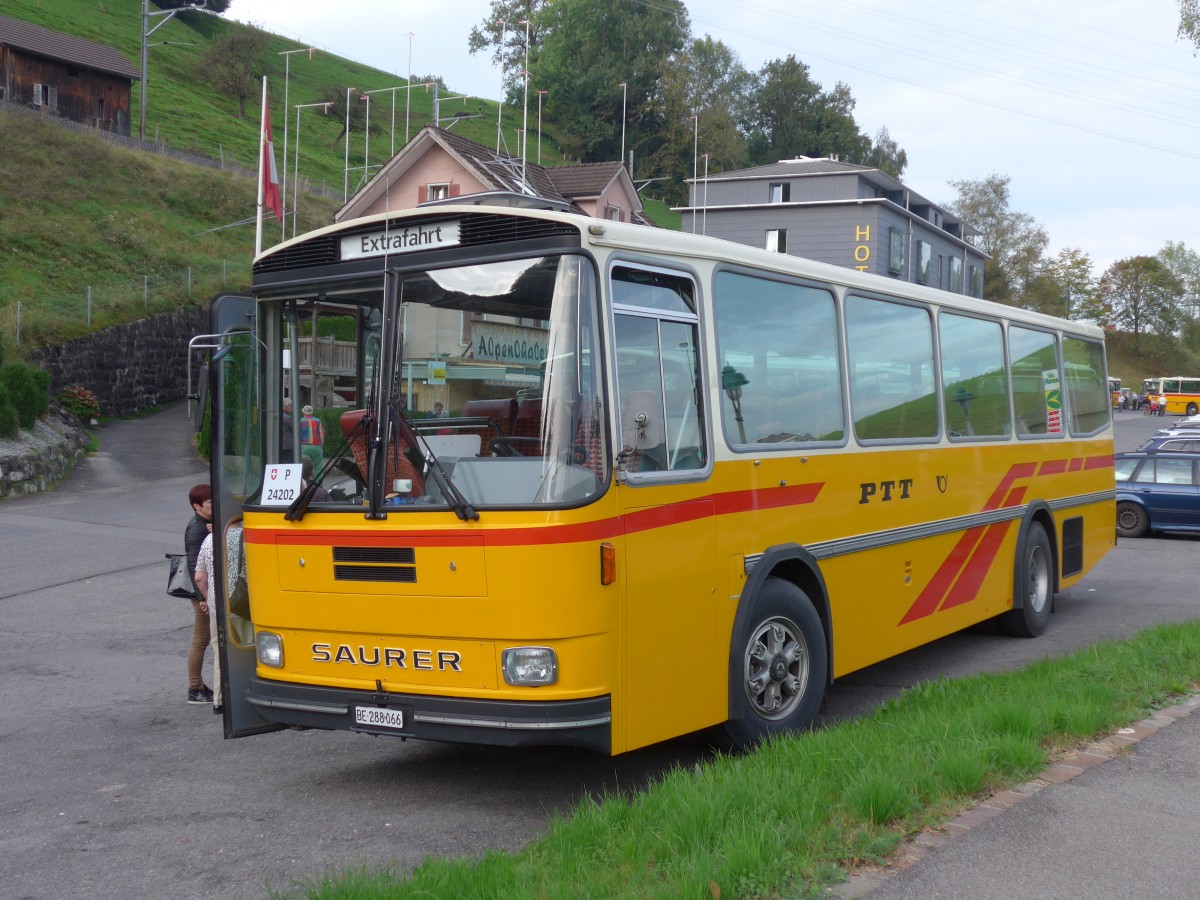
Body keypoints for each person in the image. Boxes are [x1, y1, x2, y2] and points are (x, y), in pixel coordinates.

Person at [183, 484, 214, 706]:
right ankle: (195, 688)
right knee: (201, 639)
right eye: (210, 502)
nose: (214, 505)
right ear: (197, 506)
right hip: (202, 592)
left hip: (206, 591)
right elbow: (195, 566)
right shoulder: (196, 528)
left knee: (203, 638)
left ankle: (197, 686)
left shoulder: (205, 524)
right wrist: (202, 598)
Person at [192, 531, 222, 714]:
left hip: (216, 604)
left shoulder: (209, 539)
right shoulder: (244, 535)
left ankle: (219, 699)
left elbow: (199, 577)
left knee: (219, 650)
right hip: (242, 605)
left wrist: (209, 599)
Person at [299, 404, 324, 469]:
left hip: (304, 447)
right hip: (316, 447)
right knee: (317, 467)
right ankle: (318, 479)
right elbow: (321, 435)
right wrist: (321, 447)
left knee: (305, 467)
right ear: (312, 412)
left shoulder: (300, 421)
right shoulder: (318, 420)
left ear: (303, 412)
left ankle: (305, 478)